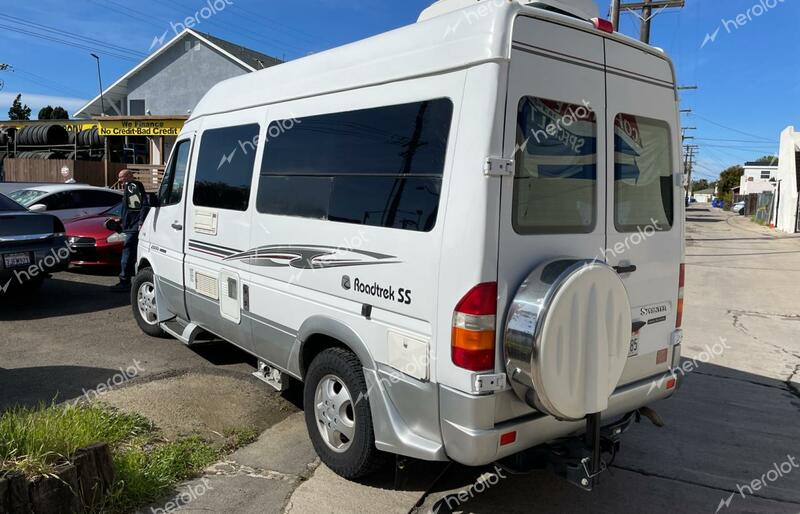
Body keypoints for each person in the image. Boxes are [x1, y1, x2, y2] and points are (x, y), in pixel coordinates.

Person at [110, 170, 148, 292]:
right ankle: (127, 280)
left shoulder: (132, 186)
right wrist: (121, 220)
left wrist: (140, 222)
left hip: (133, 227)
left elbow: (142, 205)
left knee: (127, 253)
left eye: (121, 177)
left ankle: (124, 282)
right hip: (131, 225)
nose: (119, 180)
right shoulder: (130, 187)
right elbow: (132, 208)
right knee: (130, 254)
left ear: (128, 176)